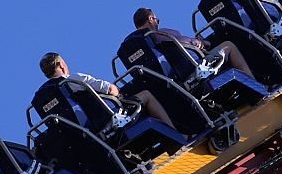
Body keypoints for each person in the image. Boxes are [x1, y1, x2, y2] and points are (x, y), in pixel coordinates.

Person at [38, 52, 178, 131]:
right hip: (110, 117)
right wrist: (118, 93)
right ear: (61, 65)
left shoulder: (42, 99)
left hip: (87, 133)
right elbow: (110, 89)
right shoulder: (73, 80)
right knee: (145, 95)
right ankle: (176, 132)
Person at [132, 7, 257, 81]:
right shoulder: (158, 34)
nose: (157, 23)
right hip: (195, 66)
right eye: (156, 20)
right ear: (150, 19)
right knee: (229, 45)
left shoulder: (144, 46)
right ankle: (254, 82)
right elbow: (178, 42)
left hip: (177, 78)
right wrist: (200, 43)